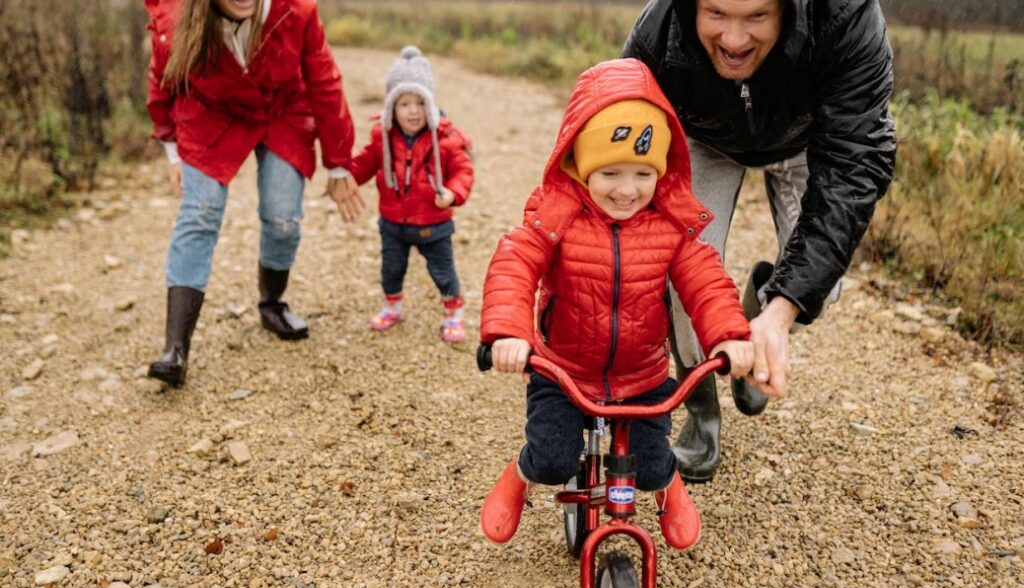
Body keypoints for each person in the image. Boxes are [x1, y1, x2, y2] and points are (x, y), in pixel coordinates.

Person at [477, 58, 755, 550]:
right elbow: (516, 262)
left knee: (650, 465)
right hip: (562, 369)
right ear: (580, 165)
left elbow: (706, 280)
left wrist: (729, 334)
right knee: (552, 457)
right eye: (609, 172)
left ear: (662, 169)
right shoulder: (557, 215)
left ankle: (668, 487)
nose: (627, 190)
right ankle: (519, 476)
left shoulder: (670, 226)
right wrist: (509, 332)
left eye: (643, 173)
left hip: (642, 377)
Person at [622, 0, 897, 481]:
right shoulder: (658, 29)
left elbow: (855, 165)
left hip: (804, 140)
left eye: (755, 17)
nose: (733, 39)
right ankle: (700, 410)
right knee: (682, 279)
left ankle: (756, 316)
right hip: (704, 138)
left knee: (819, 287)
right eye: (716, 14)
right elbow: (616, 141)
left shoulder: (847, 17)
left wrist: (782, 308)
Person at [144, 0, 364, 386]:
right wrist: (172, 148)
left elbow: (324, 81)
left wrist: (339, 160)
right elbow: (162, 78)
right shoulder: (176, 17)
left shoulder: (296, 11)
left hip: (281, 112)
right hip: (210, 115)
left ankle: (272, 304)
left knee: (283, 220)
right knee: (200, 213)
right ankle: (175, 348)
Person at [348, 46, 474, 343]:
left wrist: (453, 194)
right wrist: (345, 177)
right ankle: (392, 306)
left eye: (420, 102)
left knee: (443, 272)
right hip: (393, 221)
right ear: (392, 106)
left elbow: (464, 171)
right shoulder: (382, 136)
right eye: (404, 103)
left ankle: (453, 313)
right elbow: (365, 163)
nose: (413, 110)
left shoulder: (445, 138)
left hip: (434, 223)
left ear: (430, 105)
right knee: (391, 268)